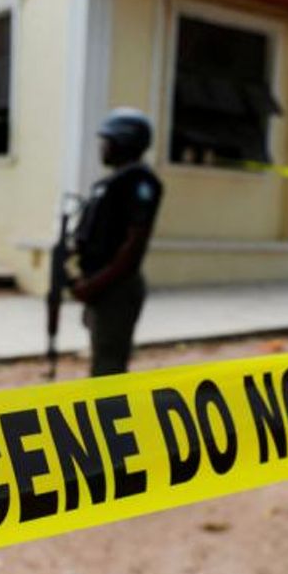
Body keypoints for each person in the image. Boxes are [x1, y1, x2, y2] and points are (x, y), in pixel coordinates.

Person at [71, 108, 164, 377]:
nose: (102, 148)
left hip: (116, 287)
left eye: (107, 141)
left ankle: (109, 405)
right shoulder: (112, 182)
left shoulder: (139, 182)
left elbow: (134, 245)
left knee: (108, 367)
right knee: (102, 357)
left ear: (124, 142)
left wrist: (94, 285)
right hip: (102, 284)